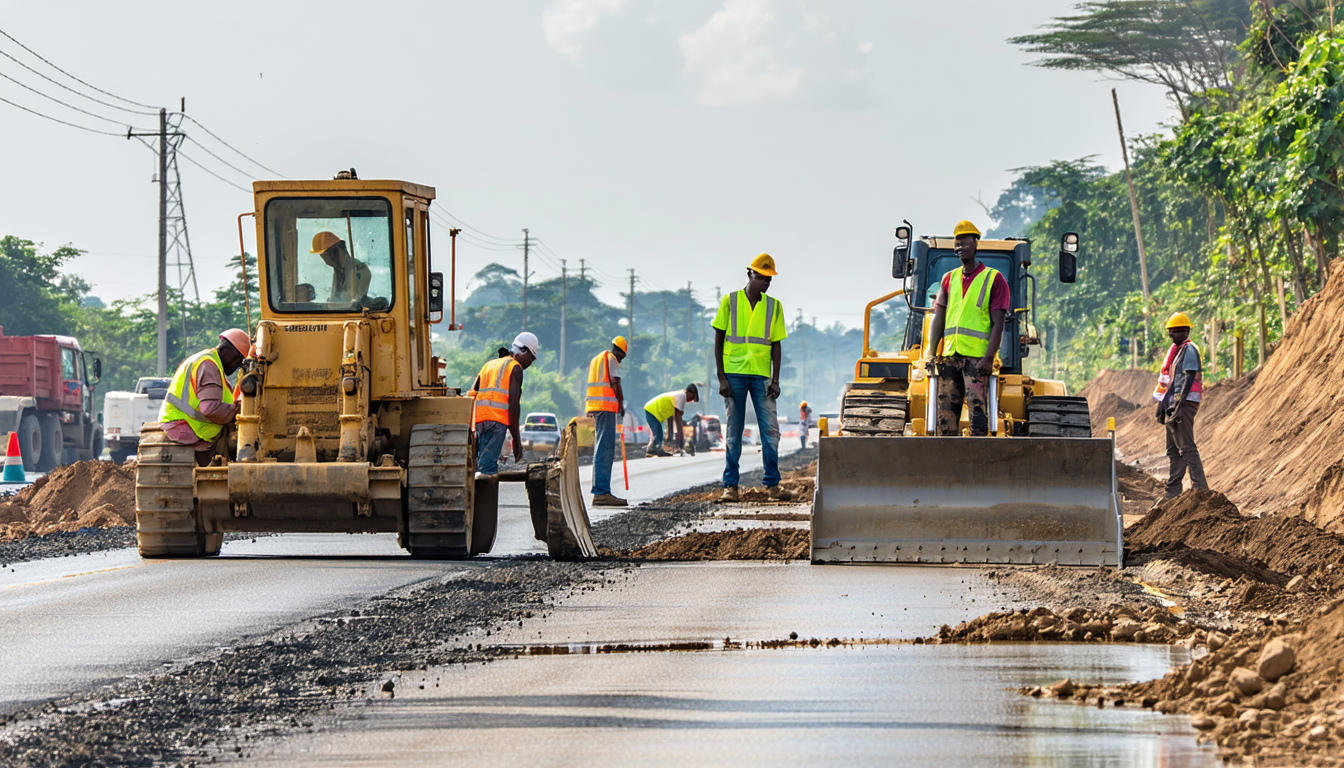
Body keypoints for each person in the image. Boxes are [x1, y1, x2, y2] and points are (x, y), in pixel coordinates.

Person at [712, 253, 793, 502]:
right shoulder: (730, 301)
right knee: (734, 432)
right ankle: (731, 487)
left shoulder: (774, 306)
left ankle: (772, 485)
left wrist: (775, 380)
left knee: (770, 431)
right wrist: (721, 377)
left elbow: (776, 346)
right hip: (734, 374)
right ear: (749, 274)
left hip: (761, 375)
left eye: (768, 280)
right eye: (760, 278)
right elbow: (718, 339)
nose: (764, 283)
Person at [926, 220, 1011, 436]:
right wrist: (931, 352)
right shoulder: (949, 279)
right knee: (945, 412)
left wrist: (989, 357)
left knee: (977, 410)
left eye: (964, 243)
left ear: (975, 245)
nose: (959, 248)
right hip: (950, 356)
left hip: (977, 359)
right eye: (957, 244)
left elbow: (998, 322)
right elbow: (939, 317)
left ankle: (976, 457)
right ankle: (947, 457)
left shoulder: (994, 279)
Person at [159, 329, 250, 467]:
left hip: (188, 424)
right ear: (225, 351)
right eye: (238, 360)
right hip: (188, 427)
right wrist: (237, 411)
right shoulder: (208, 366)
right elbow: (210, 409)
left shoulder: (208, 361)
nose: (238, 366)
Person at [1154, 312, 1209, 498]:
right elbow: (1172, 381)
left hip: (1185, 404)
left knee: (1186, 447)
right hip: (1175, 404)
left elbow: (1190, 376)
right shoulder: (1176, 352)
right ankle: (1172, 493)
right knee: (1172, 449)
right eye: (1170, 331)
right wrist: (1163, 404)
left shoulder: (1189, 349)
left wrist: (1179, 404)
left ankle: (1200, 490)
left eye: (1175, 331)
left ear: (1185, 331)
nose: (1171, 335)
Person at [470, 332, 538, 475]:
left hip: (479, 421)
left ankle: (475, 495)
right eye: (531, 359)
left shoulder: (489, 365)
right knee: (487, 469)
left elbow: (472, 392)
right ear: (523, 350)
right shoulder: (515, 367)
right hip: (496, 423)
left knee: (478, 465)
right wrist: (517, 441)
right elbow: (513, 405)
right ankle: (485, 497)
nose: (530, 364)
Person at [586, 336, 629, 507]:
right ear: (620, 352)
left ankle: (600, 490)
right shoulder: (611, 359)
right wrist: (621, 404)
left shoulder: (597, 359)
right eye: (622, 357)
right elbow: (615, 383)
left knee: (600, 446)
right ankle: (601, 492)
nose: (620, 360)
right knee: (605, 447)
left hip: (595, 406)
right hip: (605, 406)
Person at [310, 231, 371, 304]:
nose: (326, 259)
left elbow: (354, 303)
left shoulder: (360, 269)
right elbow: (335, 300)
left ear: (337, 250)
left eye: (325, 254)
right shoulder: (338, 270)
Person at [644, 384, 699, 457]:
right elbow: (678, 423)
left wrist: (671, 436)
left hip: (652, 410)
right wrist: (681, 445)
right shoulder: (682, 396)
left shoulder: (678, 396)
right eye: (691, 397)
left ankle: (656, 449)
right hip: (651, 410)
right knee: (658, 433)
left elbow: (671, 419)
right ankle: (653, 450)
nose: (690, 400)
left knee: (659, 433)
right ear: (687, 392)